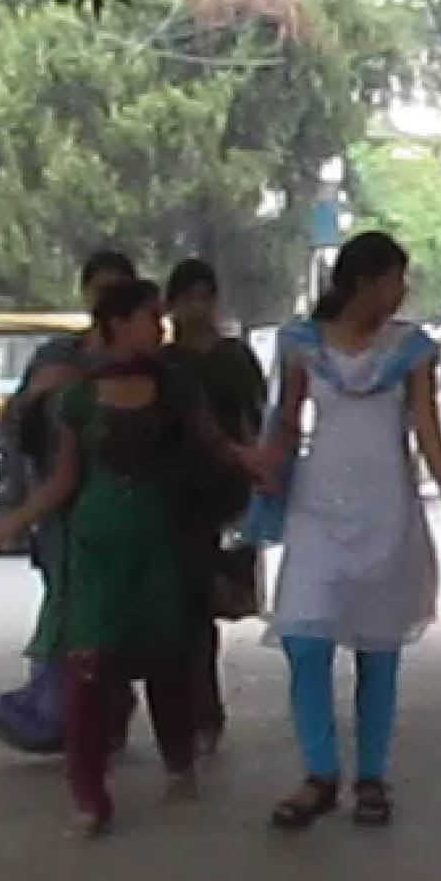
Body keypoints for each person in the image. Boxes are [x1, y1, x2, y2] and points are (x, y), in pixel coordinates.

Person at [0, 278, 262, 836]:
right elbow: (62, 481)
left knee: (166, 660)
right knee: (87, 669)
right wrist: (10, 523)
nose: (161, 328)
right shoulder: (77, 399)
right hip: (95, 546)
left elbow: (219, 447)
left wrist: (260, 467)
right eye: (150, 317)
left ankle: (179, 762)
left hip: (160, 541)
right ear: (118, 323)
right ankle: (88, 796)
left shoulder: (177, 390)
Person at [254, 231, 441, 831]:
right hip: (317, 507)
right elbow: (286, 418)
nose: (401, 291)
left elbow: (427, 429)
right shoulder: (301, 344)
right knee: (304, 636)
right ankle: (320, 773)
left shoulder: (412, 350)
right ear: (364, 282)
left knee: (379, 647)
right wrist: (262, 473)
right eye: (394, 279)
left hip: (388, 509)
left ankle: (372, 776)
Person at [0, 250, 140, 756]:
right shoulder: (57, 356)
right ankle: (64, 716)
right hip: (61, 509)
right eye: (100, 291)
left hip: (124, 508)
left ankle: (97, 715)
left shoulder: (145, 364)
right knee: (67, 609)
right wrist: (35, 396)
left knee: (115, 619)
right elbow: (18, 426)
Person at [164, 258, 270, 757]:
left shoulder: (234, 358)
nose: (198, 308)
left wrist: (257, 476)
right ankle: (196, 711)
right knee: (183, 608)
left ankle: (203, 712)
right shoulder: (162, 363)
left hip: (226, 490)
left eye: (205, 297)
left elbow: (253, 420)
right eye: (188, 298)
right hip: (173, 491)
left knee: (212, 600)